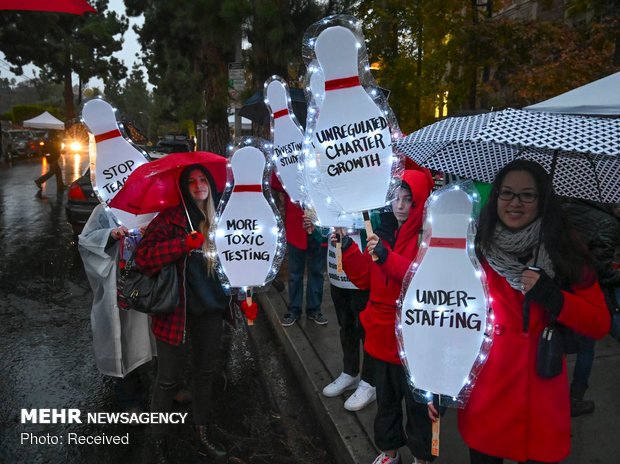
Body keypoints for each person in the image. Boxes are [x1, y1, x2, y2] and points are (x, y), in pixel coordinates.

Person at [428, 160, 610, 464]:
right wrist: (439, 382)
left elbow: (599, 324)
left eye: (527, 195)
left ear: (543, 201)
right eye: (507, 193)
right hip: (487, 393)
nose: (515, 203)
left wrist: (555, 298)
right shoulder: (474, 247)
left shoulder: (564, 251)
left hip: (539, 399)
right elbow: (449, 320)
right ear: (495, 196)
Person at [338, 169, 435, 464]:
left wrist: (385, 255)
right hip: (382, 337)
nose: (400, 205)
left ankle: (421, 455)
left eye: (408, 200)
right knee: (387, 403)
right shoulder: (380, 233)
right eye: (395, 197)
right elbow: (365, 278)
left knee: (419, 408)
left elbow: (418, 278)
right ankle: (390, 451)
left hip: (414, 341)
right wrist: (347, 248)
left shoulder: (428, 239)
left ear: (420, 204)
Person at [135, 164, 229, 462]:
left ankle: (201, 432)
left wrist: (244, 293)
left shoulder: (224, 219)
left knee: (205, 373)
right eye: (192, 181)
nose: (199, 185)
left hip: (211, 310)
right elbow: (144, 258)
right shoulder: (170, 219)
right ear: (184, 188)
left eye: (203, 179)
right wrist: (180, 245)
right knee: (168, 379)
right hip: (174, 310)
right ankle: (156, 440)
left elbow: (240, 262)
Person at [78, 204, 156, 414]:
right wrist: (111, 235)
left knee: (156, 338)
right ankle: (129, 397)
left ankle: (166, 386)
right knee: (124, 340)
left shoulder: (156, 205)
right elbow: (86, 241)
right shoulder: (105, 209)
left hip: (152, 284)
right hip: (119, 286)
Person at [564, 198, 620, 416]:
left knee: (579, 346)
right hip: (588, 291)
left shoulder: (568, 208)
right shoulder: (608, 223)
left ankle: (571, 398)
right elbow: (601, 269)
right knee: (589, 344)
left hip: (566, 287)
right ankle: (575, 399)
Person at [322, 228, 376, 411]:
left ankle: (370, 382)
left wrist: (353, 223)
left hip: (361, 264)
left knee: (366, 330)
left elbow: (377, 221)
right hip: (336, 271)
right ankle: (350, 372)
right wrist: (315, 227)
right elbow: (321, 229)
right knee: (345, 325)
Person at [280, 193, 329, 327]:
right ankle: (294, 309)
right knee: (295, 273)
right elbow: (276, 181)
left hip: (320, 225)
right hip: (296, 225)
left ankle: (314, 309)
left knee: (317, 271)